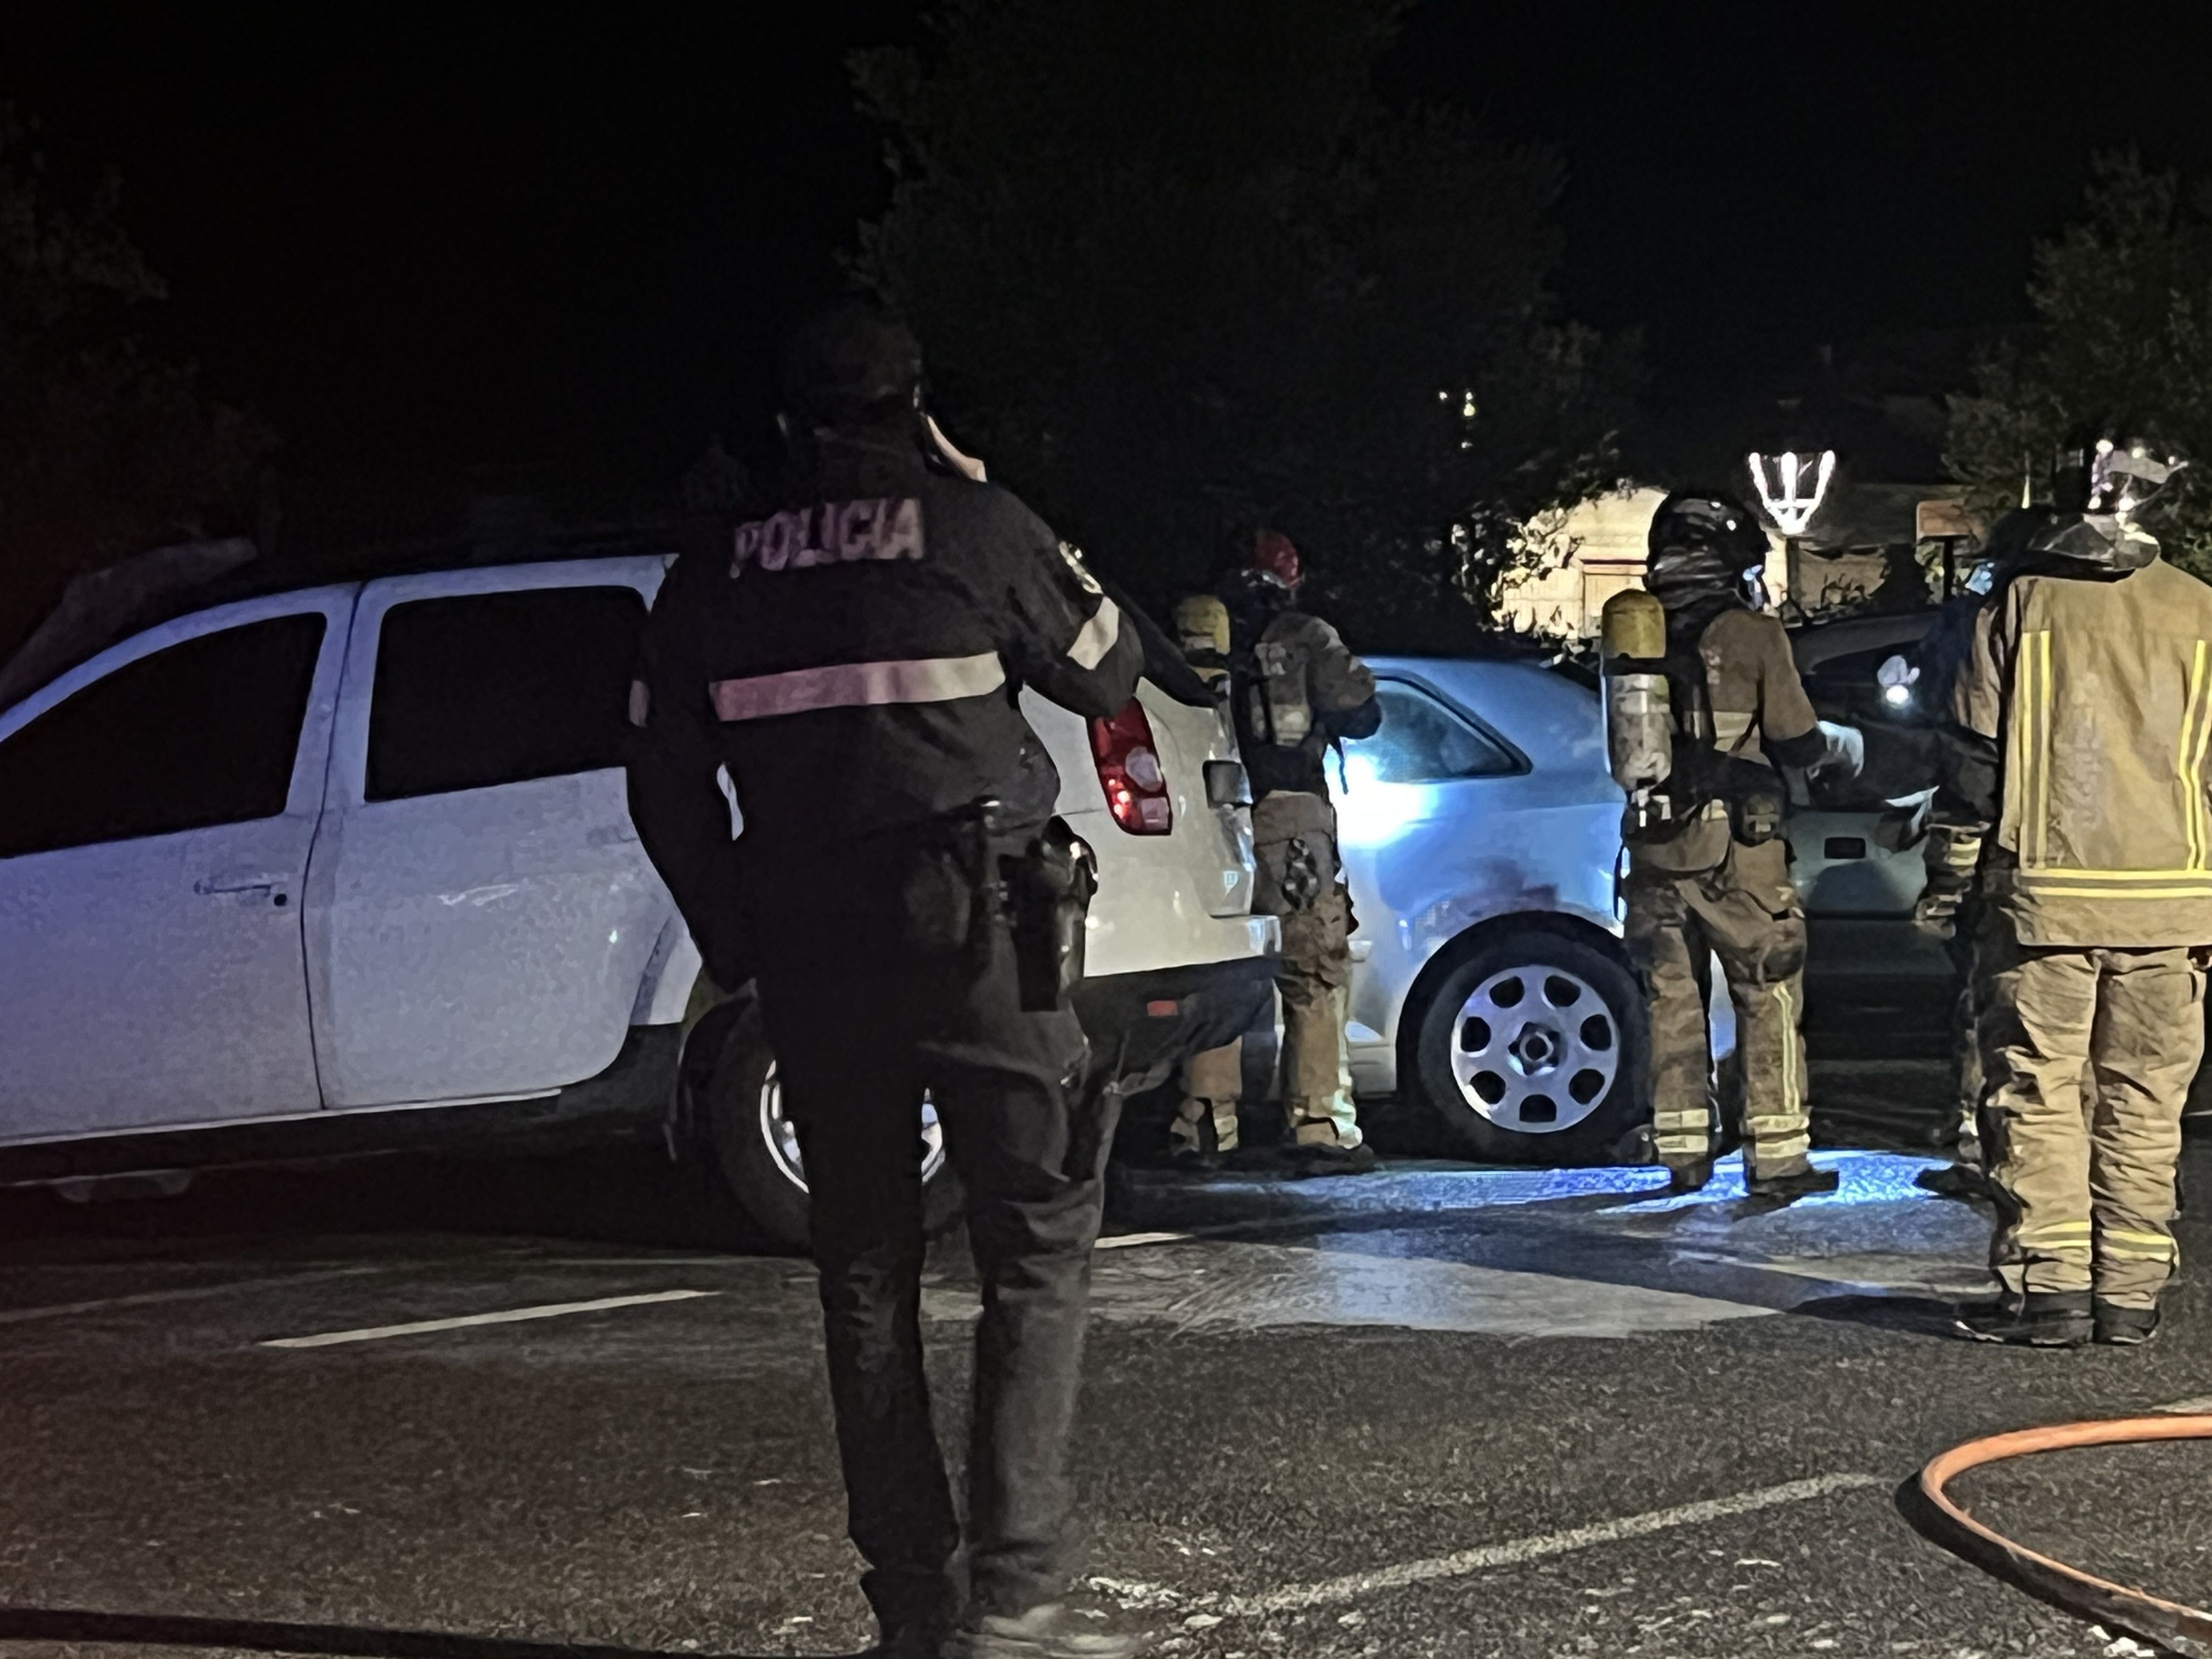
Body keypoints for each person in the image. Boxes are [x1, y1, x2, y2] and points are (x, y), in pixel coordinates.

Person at [628, 298, 1148, 1657]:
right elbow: (1110, 672)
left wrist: (736, 935)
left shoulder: (715, 573)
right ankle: (1020, 1597)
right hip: (983, 939)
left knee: (867, 1266)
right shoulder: (973, 526)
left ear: (789, 421)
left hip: (814, 952)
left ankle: (913, 1612)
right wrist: (993, 494)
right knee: (1035, 1240)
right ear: (918, 407)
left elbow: (665, 785)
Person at [1949, 438, 2208, 1348]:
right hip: (2176, 901)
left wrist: (1952, 880)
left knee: (2039, 1090)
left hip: (2048, 897)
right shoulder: (2201, 610)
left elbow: (1975, 752)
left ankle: (2049, 1290)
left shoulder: (2021, 600)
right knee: (2145, 1096)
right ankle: (2131, 1296)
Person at [1623, 492, 1859, 1200]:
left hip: (1653, 849)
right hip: (1736, 851)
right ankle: (1777, 1156)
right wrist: (1839, 749)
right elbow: (1795, 740)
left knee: (1670, 998)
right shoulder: (1754, 634)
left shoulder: (1635, 632)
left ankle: (1683, 1152)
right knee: (1768, 989)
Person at [1167, 532, 1382, 1175]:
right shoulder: (1306, 635)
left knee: (1223, 974)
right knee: (1314, 973)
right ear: (1290, 579)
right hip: (1291, 818)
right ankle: (1319, 1128)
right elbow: (1362, 711)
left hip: (1208, 818)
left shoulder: (1191, 641)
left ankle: (1206, 1124)